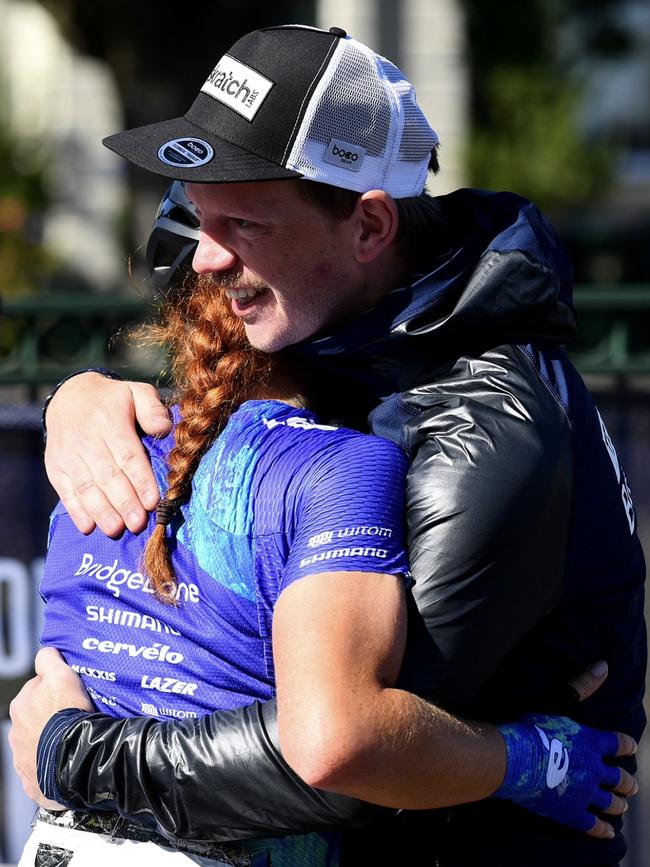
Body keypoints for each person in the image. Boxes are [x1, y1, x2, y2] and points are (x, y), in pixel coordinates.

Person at [10, 24, 646, 867]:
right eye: (197, 211)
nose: (201, 258)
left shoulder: (486, 430)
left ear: (371, 226)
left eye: (240, 223)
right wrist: (75, 400)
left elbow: (337, 751)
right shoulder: (284, 275)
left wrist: (71, 751)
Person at [12, 281, 630, 867]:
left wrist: (69, 396)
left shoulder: (95, 464)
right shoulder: (344, 465)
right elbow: (340, 744)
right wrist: (523, 758)